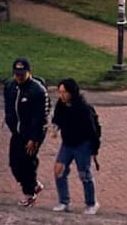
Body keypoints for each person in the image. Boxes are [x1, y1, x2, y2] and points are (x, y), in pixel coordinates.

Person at [3, 57, 50, 207]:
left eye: (22, 74)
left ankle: (30, 194)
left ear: (29, 72)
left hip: (33, 132)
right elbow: (9, 108)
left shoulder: (38, 91)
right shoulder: (10, 86)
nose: (19, 77)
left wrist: (33, 138)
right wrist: (11, 124)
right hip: (18, 132)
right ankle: (33, 185)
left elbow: (40, 117)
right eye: (16, 74)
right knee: (14, 163)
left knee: (28, 162)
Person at [49, 79, 99, 215]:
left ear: (72, 92)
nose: (62, 95)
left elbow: (92, 130)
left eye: (64, 92)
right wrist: (55, 128)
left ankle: (91, 203)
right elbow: (57, 119)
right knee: (59, 170)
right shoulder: (61, 105)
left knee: (84, 174)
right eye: (60, 92)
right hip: (67, 143)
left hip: (82, 144)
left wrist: (94, 149)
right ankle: (64, 201)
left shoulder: (83, 108)